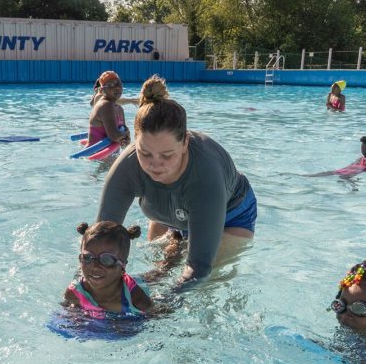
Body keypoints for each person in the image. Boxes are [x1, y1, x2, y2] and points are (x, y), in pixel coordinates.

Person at [97, 75, 256, 284]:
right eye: (145, 153)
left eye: (167, 155)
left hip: (231, 216)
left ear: (184, 144)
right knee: (157, 273)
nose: (155, 164)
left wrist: (162, 309)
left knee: (207, 284)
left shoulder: (206, 176)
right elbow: (99, 242)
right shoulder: (126, 167)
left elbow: (199, 268)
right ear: (135, 143)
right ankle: (177, 239)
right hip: (169, 214)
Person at [63, 221, 152, 318]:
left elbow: (158, 315)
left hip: (142, 284)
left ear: (123, 266)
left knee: (158, 276)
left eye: (107, 260)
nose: (95, 266)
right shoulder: (74, 294)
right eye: (87, 257)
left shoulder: (137, 300)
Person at [88, 71, 131, 147]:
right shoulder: (105, 105)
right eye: (111, 85)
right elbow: (114, 136)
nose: (117, 87)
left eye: (119, 84)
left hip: (109, 156)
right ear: (102, 90)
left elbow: (125, 142)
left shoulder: (120, 109)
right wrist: (126, 134)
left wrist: (126, 138)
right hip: (96, 156)